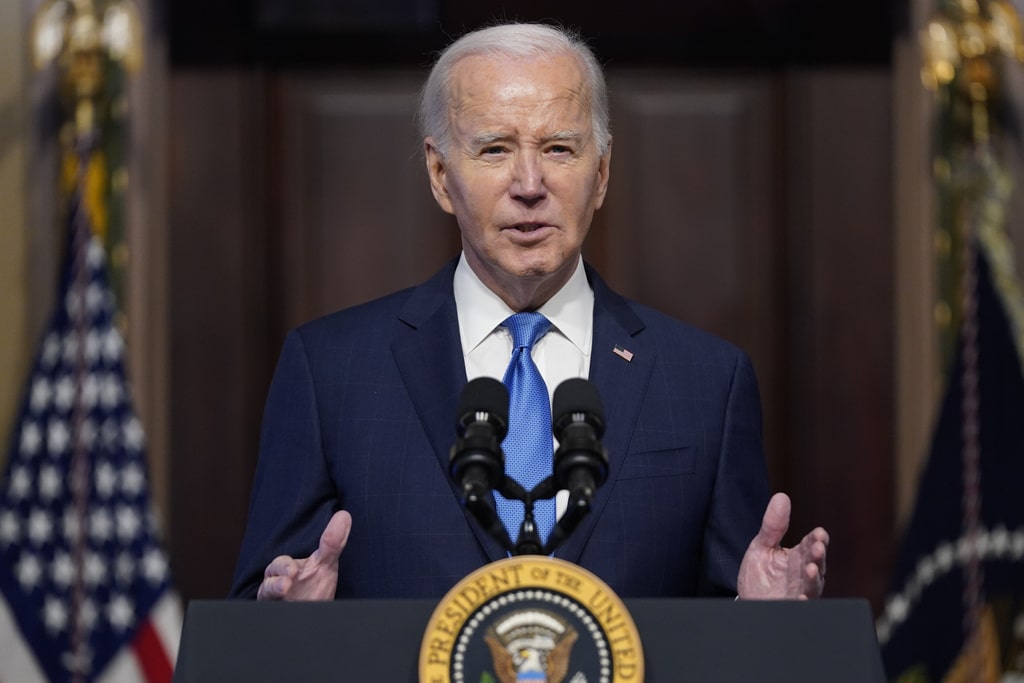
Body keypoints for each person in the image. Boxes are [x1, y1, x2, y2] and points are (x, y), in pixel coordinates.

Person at [228, 21, 828, 602]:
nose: (530, 184)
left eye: (559, 148)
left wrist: (761, 622)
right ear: (440, 175)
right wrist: (285, 625)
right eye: (494, 149)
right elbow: (257, 623)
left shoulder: (706, 382)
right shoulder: (331, 371)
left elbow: (735, 636)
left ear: (602, 173)